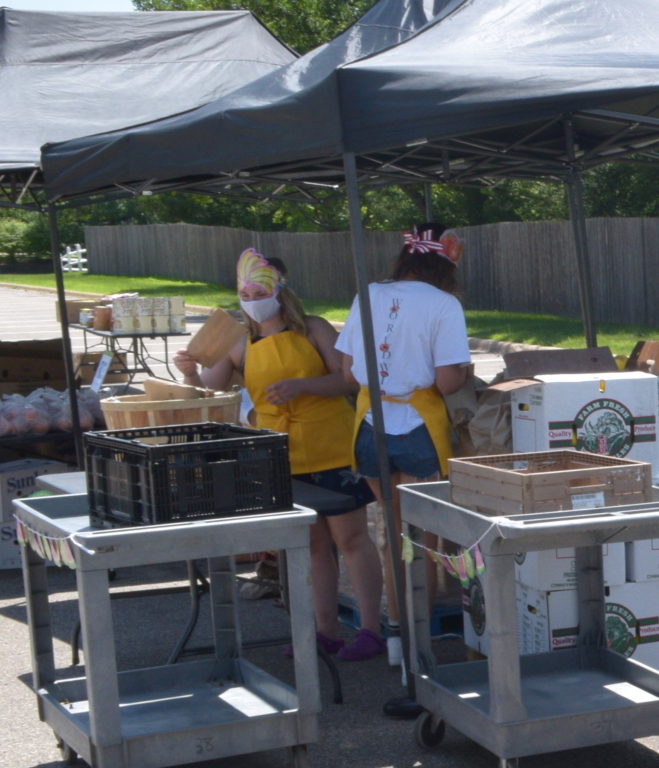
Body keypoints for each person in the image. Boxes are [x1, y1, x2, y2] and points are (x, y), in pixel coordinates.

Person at [175, 249, 388, 659]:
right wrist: (187, 370)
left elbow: (347, 382)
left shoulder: (314, 329)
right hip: (279, 453)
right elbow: (210, 385)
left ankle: (370, 630)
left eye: (259, 289)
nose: (252, 297)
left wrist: (302, 386)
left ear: (281, 290)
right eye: (245, 290)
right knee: (310, 545)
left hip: (332, 446)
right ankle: (325, 631)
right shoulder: (238, 340)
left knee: (351, 538)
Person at [337, 225, 473, 643]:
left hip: (369, 424)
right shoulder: (444, 304)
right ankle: (419, 643)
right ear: (446, 265)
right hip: (419, 427)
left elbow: (347, 372)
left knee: (391, 534)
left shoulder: (368, 294)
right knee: (423, 538)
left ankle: (396, 636)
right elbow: (448, 382)